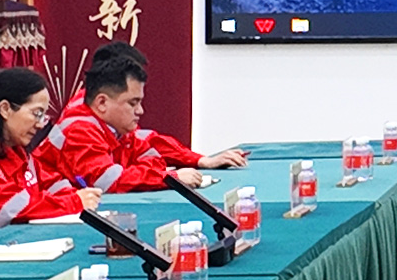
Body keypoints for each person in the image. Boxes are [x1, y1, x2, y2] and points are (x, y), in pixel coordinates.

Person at [49, 43, 250, 193]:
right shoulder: (80, 126)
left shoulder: (111, 118)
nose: (140, 111)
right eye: (132, 102)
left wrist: (200, 160)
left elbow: (148, 147)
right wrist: (169, 178)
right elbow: (107, 181)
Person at [0, 67, 99, 230]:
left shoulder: (17, 150)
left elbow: (52, 183)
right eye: (37, 113)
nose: (40, 125)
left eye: (44, 116)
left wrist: (78, 196)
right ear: (5, 109)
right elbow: (8, 208)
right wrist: (74, 202)